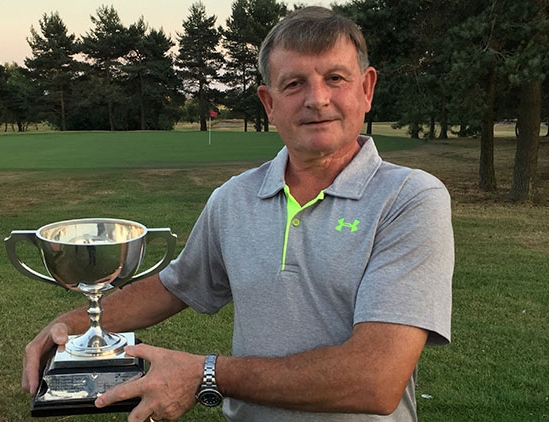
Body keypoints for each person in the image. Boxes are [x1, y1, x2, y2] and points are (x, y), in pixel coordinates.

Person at [22, 6, 453, 422]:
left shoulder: (409, 199)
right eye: (294, 84)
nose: (317, 99)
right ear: (268, 102)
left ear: (367, 89)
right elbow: (174, 287)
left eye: (335, 78)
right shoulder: (235, 198)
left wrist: (206, 373)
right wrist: (74, 325)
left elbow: (373, 380)